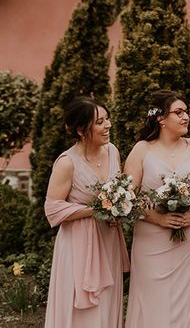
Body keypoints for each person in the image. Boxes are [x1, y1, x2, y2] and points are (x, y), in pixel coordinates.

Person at [124, 89, 190, 328]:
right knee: (154, 301)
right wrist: (158, 219)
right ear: (160, 118)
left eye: (187, 112)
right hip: (152, 239)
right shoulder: (142, 150)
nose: (186, 117)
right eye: (178, 112)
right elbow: (128, 197)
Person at [44, 97, 129, 328]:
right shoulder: (67, 162)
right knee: (83, 309)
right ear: (81, 129)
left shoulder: (112, 151)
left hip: (108, 238)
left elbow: (118, 190)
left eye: (107, 119)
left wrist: (120, 206)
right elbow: (52, 208)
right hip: (78, 243)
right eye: (100, 122)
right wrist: (96, 210)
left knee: (107, 302)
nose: (108, 125)